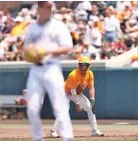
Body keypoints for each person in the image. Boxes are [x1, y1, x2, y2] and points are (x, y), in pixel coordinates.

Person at [23, 1, 74, 141]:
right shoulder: (31, 28)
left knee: (59, 106)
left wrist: (45, 51)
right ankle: (38, 138)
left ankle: (67, 137)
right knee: (32, 108)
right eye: (46, 7)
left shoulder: (58, 26)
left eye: (51, 7)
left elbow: (68, 47)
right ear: (39, 8)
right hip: (35, 70)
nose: (50, 10)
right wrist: (31, 53)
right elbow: (26, 52)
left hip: (52, 68)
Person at [51, 56, 104, 138]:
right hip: (65, 93)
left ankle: (95, 131)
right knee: (64, 111)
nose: (83, 67)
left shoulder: (90, 74)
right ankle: (53, 131)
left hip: (76, 93)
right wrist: (78, 103)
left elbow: (91, 88)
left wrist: (92, 101)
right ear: (79, 65)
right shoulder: (73, 74)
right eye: (82, 65)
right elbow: (72, 91)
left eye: (85, 65)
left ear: (88, 66)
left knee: (90, 108)